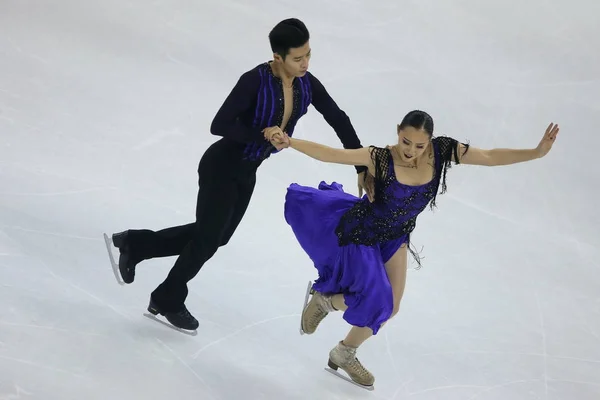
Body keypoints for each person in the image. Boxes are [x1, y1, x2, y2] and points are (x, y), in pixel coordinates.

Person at [103, 18, 374, 333]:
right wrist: (262, 134)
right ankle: (167, 296)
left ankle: (137, 244)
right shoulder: (254, 81)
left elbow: (337, 117)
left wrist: (360, 164)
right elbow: (219, 124)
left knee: (217, 237)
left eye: (308, 55)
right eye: (298, 58)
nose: (305, 64)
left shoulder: (306, 84)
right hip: (221, 166)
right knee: (206, 239)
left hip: (247, 171)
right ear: (278, 58)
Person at [265, 110, 559, 389]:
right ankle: (325, 302)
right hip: (363, 235)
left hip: (396, 237)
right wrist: (291, 143)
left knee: (391, 307)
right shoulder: (379, 157)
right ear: (397, 133)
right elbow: (332, 154)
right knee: (374, 301)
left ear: (429, 142)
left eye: (419, 145)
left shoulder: (442, 152)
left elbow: (489, 156)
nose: (410, 150)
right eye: (406, 142)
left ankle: (344, 351)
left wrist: (536, 152)